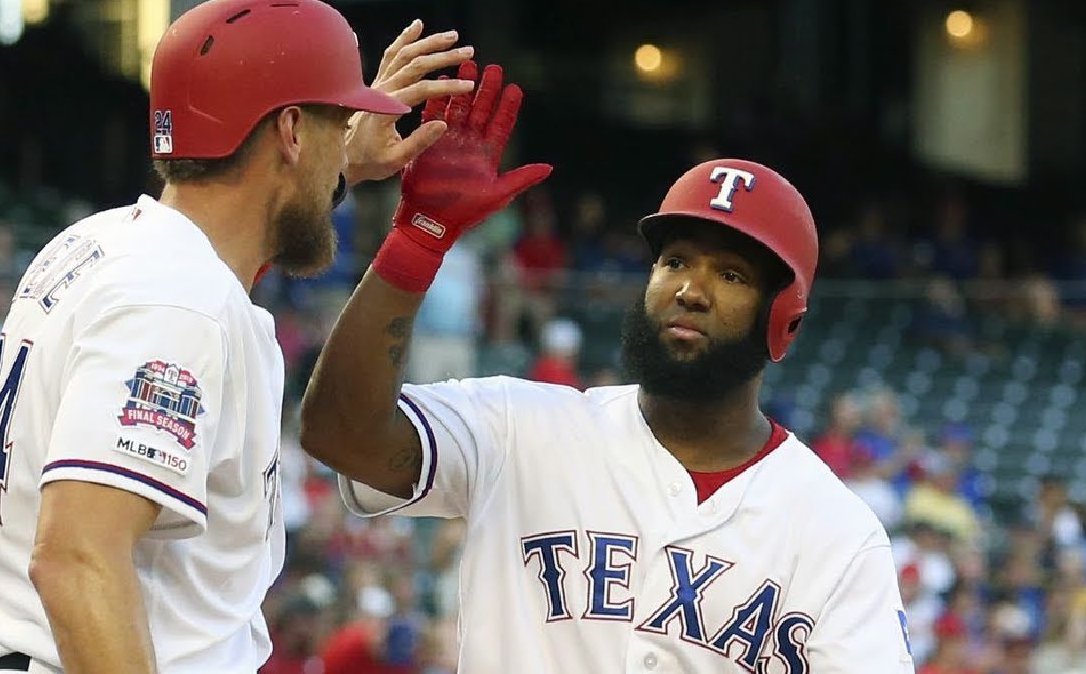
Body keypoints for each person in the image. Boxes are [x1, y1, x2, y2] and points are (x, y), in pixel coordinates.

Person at [299, 61, 914, 672]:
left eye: (731, 275)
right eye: (674, 261)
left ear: (787, 321)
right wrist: (417, 240)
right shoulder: (520, 426)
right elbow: (339, 434)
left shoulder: (836, 533)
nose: (690, 290)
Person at [0, 0, 475, 674]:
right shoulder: (177, 298)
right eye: (338, 120)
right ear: (290, 130)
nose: (347, 138)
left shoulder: (104, 242)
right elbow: (77, 559)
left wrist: (337, 163)